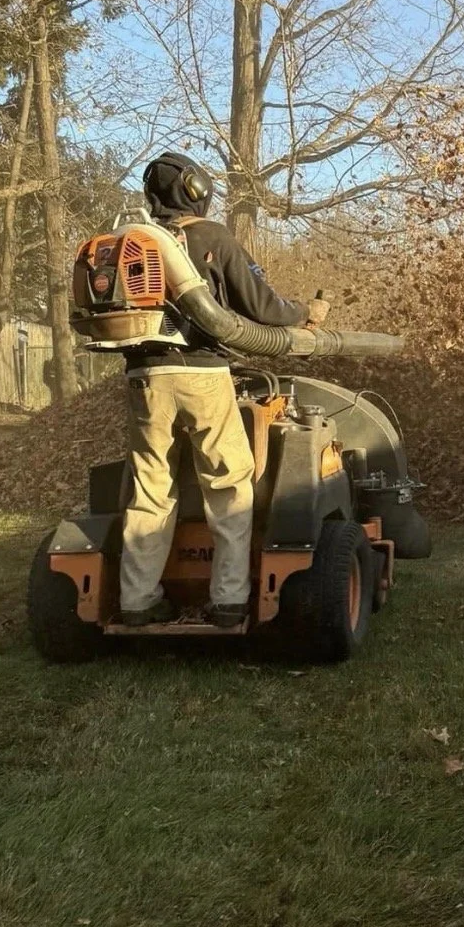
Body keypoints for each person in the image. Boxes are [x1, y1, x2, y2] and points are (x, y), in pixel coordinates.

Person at [119, 151, 309, 629]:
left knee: (150, 490)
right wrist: (304, 313)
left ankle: (137, 600)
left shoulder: (129, 243)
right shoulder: (212, 237)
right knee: (227, 483)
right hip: (201, 373)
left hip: (143, 378)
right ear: (196, 189)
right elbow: (262, 306)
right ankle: (228, 599)